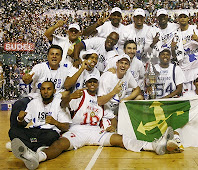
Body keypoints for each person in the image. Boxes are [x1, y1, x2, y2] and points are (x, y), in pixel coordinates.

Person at [11, 75, 179, 170]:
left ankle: (154, 146)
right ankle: (37, 157)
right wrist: (70, 97)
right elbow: (63, 105)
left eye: (94, 82)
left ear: (98, 84)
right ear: (86, 84)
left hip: (95, 131)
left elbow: (110, 115)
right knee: (60, 145)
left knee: (120, 139)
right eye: (89, 81)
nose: (92, 83)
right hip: (77, 129)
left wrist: (113, 123)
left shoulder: (101, 101)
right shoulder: (79, 95)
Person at [9, 81, 71, 155]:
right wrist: (20, 119)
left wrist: (55, 122)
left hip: (48, 132)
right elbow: (24, 123)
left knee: (51, 136)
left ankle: (26, 147)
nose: (45, 92)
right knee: (13, 131)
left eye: (49, 89)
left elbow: (66, 127)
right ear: (40, 91)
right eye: (43, 89)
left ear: (54, 91)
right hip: (34, 132)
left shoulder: (60, 103)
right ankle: (35, 148)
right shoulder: (34, 102)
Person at [98, 54, 143, 129]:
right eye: (121, 63)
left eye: (126, 64)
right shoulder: (107, 77)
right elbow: (99, 101)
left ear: (129, 66)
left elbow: (137, 89)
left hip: (118, 107)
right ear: (117, 64)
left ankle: (133, 124)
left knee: (139, 98)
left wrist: (125, 99)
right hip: (106, 108)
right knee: (110, 131)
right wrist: (113, 92)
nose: (123, 66)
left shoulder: (127, 74)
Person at [177, 11, 198, 93]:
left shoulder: (197, 30)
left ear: (189, 18)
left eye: (185, 16)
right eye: (181, 17)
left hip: (197, 68)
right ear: (178, 19)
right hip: (183, 69)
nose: (183, 18)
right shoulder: (175, 32)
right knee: (185, 96)